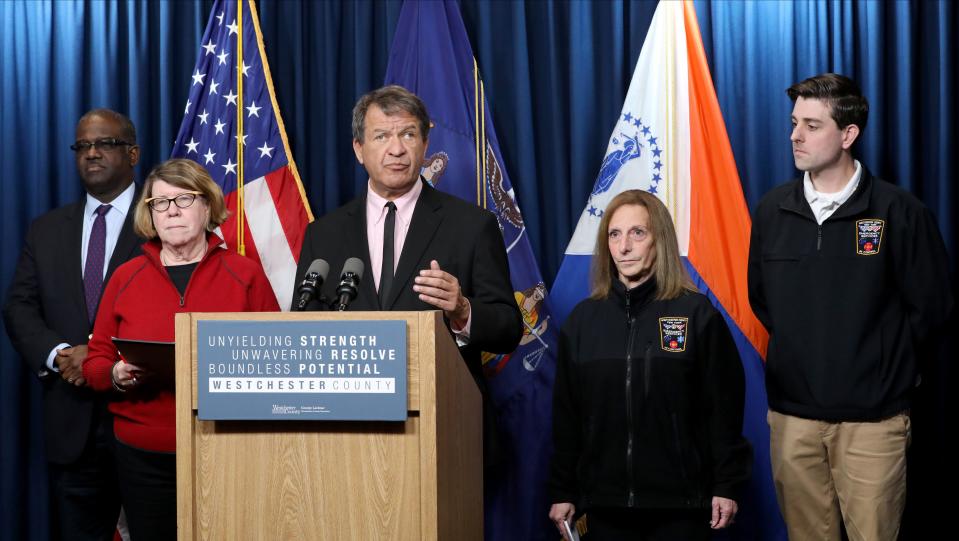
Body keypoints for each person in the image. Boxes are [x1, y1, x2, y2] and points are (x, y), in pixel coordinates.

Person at [747, 73, 954, 541]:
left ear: (848, 135)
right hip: (792, 423)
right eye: (794, 122)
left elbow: (933, 310)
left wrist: (877, 368)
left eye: (812, 125)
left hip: (873, 425)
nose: (795, 135)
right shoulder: (771, 210)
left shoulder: (899, 213)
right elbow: (762, 300)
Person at [80, 158, 279, 540]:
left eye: (183, 199)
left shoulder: (245, 273)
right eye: (160, 203)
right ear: (149, 214)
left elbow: (276, 359)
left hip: (229, 450)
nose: (171, 211)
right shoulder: (125, 276)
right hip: (142, 455)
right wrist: (114, 375)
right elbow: (96, 361)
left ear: (207, 206)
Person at [292, 84, 522, 400]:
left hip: (441, 410)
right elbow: (304, 331)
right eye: (382, 136)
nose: (397, 149)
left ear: (425, 145)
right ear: (359, 149)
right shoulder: (324, 235)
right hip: (348, 415)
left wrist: (463, 309)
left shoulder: (471, 226)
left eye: (409, 135)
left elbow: (508, 330)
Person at [548, 190, 751, 541]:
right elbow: (568, 417)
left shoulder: (696, 314)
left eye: (637, 233)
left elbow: (724, 409)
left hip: (681, 507)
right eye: (614, 234)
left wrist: (727, 484)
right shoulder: (583, 322)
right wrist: (564, 490)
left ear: (660, 240)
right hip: (605, 506)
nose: (624, 246)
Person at [4, 108, 143, 540]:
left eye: (105, 143)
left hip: (142, 419)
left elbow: (180, 313)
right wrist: (60, 354)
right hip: (71, 423)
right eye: (82, 146)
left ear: (133, 153)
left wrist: (103, 357)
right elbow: (19, 307)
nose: (92, 153)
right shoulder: (46, 229)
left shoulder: (166, 220)